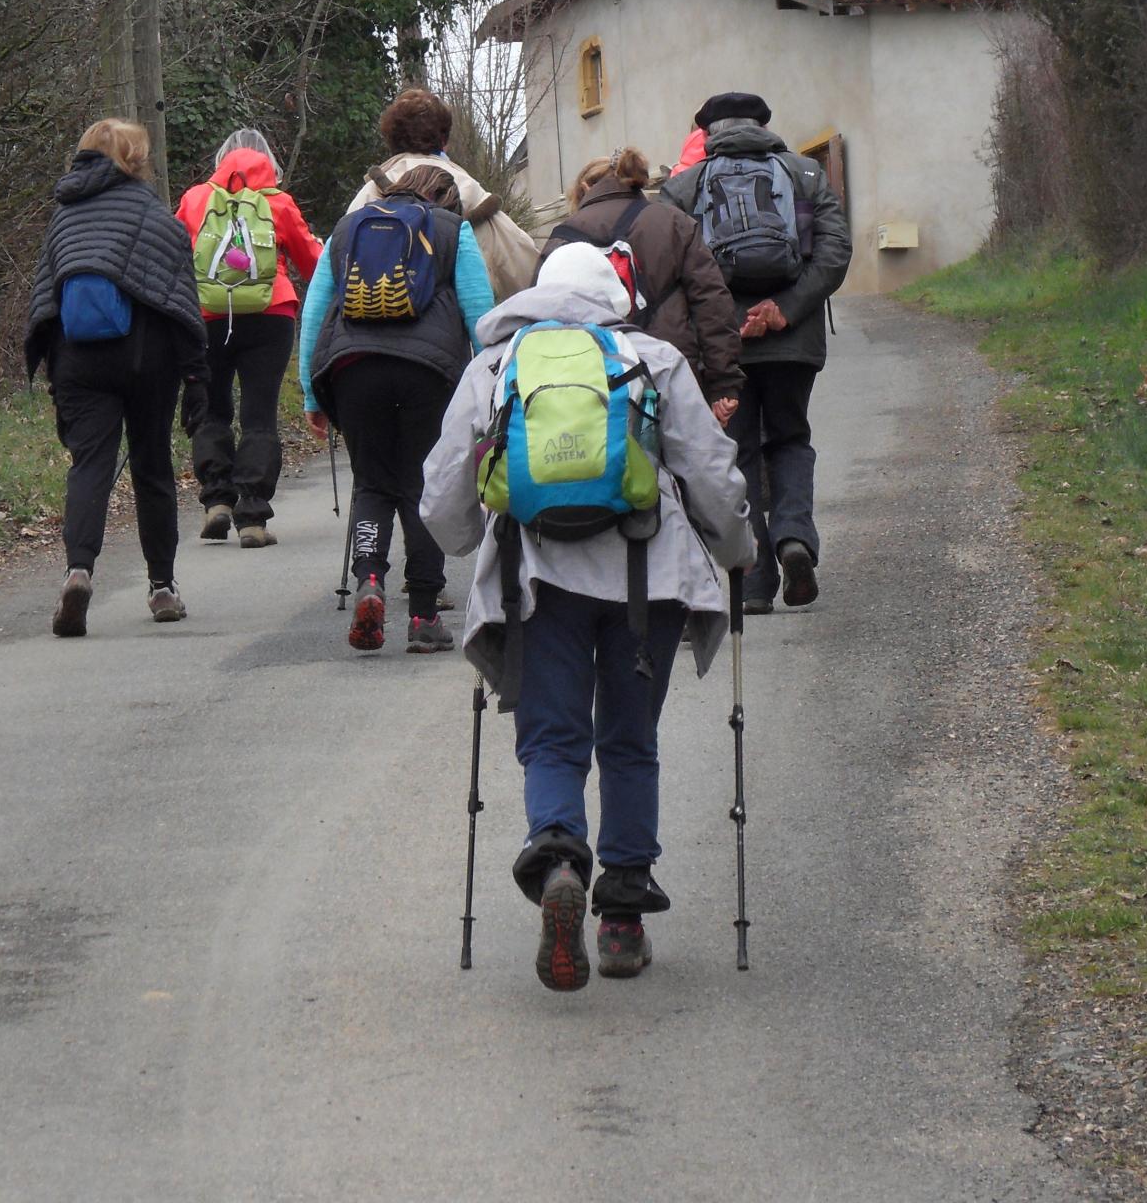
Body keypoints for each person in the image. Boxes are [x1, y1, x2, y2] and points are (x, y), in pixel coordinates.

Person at [421, 244, 756, 992]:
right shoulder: (651, 358)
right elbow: (709, 470)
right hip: (651, 578)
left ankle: (561, 861)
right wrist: (737, 550)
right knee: (630, 739)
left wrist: (467, 543)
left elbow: (445, 491)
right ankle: (622, 920)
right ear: (615, 296)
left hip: (535, 579)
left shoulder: (495, 367)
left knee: (552, 736)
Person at [662, 91, 851, 613]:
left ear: (707, 132)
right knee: (790, 437)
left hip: (725, 344)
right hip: (793, 339)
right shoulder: (804, 175)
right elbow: (835, 252)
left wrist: (722, 321)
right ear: (763, 125)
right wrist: (784, 309)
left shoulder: (682, 188)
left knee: (737, 451)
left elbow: (669, 274)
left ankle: (754, 582)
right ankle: (794, 538)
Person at [25, 118, 209, 637]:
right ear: (135, 159)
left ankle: (79, 572)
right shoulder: (153, 214)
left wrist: (52, 371)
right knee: (151, 468)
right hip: (148, 358)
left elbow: (46, 296)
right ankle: (162, 588)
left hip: (79, 357)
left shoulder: (62, 218)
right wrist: (197, 378)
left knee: (90, 467)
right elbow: (181, 300)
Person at [301, 165, 494, 655]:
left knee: (371, 482)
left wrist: (311, 391)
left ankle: (369, 578)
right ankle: (425, 615)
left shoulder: (349, 227)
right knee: (419, 485)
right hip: (428, 373)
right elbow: (480, 311)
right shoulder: (453, 230)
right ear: (447, 200)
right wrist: (492, 388)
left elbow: (315, 309)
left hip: (353, 368)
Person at [176, 128, 322, 548]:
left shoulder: (196, 199)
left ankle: (217, 500)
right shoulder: (278, 201)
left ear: (221, 160)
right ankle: (253, 515)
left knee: (212, 407)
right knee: (259, 412)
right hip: (270, 313)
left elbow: (174, 255)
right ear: (268, 160)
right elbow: (312, 262)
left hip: (208, 314)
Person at [537, 146, 744, 426]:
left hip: (590, 382)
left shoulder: (560, 239)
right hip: (670, 375)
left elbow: (539, 316)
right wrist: (723, 382)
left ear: (585, 188)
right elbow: (711, 302)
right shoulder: (673, 222)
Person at [345, 87, 540, 299]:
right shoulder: (473, 195)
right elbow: (531, 277)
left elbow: (334, 266)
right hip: (454, 328)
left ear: (391, 141)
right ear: (445, 141)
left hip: (373, 326)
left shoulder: (367, 197)